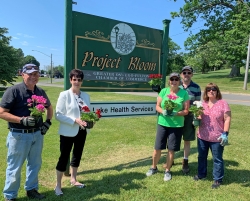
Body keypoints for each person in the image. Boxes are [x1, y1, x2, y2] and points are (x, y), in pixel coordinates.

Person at [0, 64, 53, 201]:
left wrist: (48, 122)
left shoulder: (40, 92)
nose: (33, 76)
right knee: (15, 167)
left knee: (35, 164)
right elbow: (2, 112)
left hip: (37, 134)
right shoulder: (13, 91)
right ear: (22, 74)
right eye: (29, 74)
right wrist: (21, 120)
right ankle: (10, 196)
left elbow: (49, 107)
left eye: (35, 74)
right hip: (19, 135)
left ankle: (31, 189)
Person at [146, 73, 190, 181]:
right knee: (157, 148)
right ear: (169, 81)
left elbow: (186, 111)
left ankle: (167, 170)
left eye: (176, 79)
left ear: (179, 81)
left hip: (176, 125)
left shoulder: (184, 93)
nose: (174, 81)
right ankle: (153, 167)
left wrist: (176, 113)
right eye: (172, 79)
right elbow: (157, 106)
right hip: (163, 123)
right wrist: (163, 111)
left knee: (171, 149)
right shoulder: (164, 91)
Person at [54, 69, 91, 196]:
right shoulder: (64, 95)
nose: (77, 82)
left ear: (82, 81)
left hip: (82, 131)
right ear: (70, 80)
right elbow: (58, 115)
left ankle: (73, 179)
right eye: (74, 79)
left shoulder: (86, 96)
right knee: (63, 158)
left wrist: (91, 120)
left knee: (77, 155)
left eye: (79, 79)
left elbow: (87, 113)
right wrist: (75, 120)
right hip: (67, 131)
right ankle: (58, 186)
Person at [163, 66, 201, 173]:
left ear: (192, 74)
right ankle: (171, 160)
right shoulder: (175, 85)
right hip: (176, 116)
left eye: (189, 72)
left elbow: (198, 103)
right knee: (173, 139)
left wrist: (196, 116)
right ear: (181, 75)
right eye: (184, 72)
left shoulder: (196, 87)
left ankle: (185, 161)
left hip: (188, 117)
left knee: (187, 140)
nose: (186, 74)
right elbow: (166, 97)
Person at [193, 83, 231, 189]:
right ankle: (201, 174)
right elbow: (198, 117)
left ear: (217, 91)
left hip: (217, 137)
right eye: (208, 89)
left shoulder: (223, 103)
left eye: (213, 89)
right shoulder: (202, 104)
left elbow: (227, 119)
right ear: (206, 92)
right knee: (201, 157)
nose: (211, 91)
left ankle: (217, 179)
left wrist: (225, 133)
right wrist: (196, 118)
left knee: (217, 159)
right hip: (202, 136)